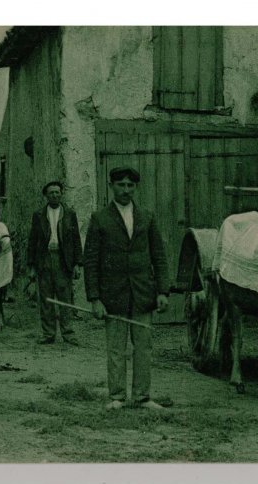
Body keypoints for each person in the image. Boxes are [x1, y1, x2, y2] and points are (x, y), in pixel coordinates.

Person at [83, 167, 170, 410]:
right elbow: (91, 261)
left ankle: (142, 396)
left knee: (143, 347)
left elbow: (159, 256)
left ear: (136, 187)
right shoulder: (100, 219)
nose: (125, 190)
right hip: (114, 296)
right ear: (111, 185)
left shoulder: (147, 217)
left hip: (143, 294)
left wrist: (162, 291)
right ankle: (117, 397)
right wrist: (95, 298)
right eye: (121, 185)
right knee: (116, 349)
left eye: (130, 185)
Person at [27, 180, 83, 345]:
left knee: (65, 298)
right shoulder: (38, 215)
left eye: (57, 192)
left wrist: (78, 264)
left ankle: (68, 333)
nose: (54, 195)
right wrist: (31, 266)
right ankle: (48, 333)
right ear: (46, 195)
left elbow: (76, 240)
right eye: (51, 193)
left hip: (63, 260)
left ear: (61, 194)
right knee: (46, 299)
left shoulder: (69, 214)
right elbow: (33, 241)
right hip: (44, 259)